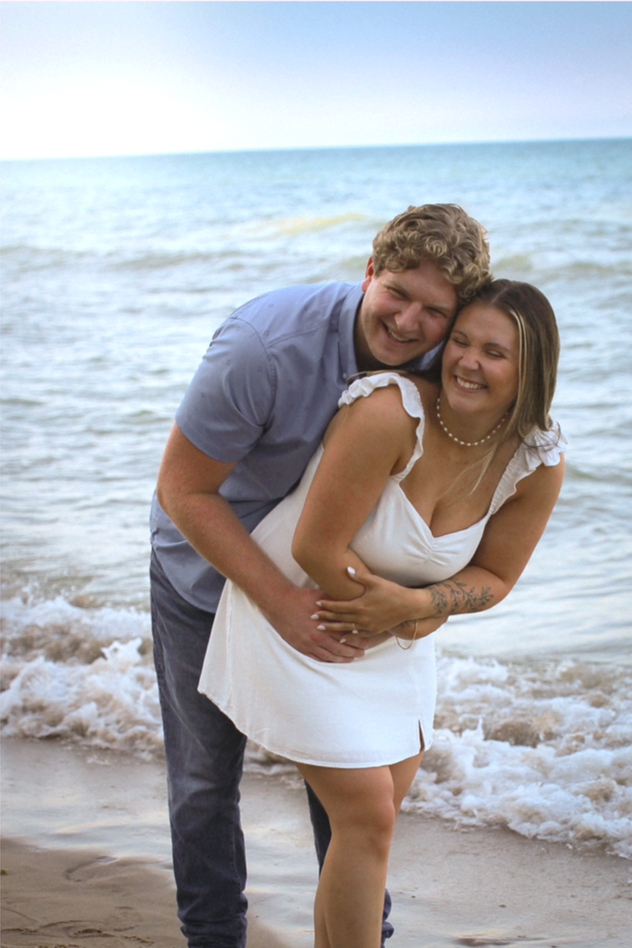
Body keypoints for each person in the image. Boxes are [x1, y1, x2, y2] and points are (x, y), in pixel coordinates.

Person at [151, 204, 491, 948]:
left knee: (351, 779)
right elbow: (181, 490)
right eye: (397, 292)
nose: (408, 323)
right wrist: (277, 600)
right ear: (368, 272)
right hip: (208, 581)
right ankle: (213, 940)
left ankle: (369, 934)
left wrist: (426, 601)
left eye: (435, 311)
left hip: (338, 589)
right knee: (205, 784)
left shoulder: (443, 362)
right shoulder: (265, 347)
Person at [198, 279, 565, 948]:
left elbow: (496, 576)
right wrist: (392, 610)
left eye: (494, 352)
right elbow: (314, 545)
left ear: (531, 369)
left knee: (369, 825)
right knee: (368, 815)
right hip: (297, 605)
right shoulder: (390, 413)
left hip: (394, 632)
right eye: (460, 341)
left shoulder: (536, 460)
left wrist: (418, 607)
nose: (467, 362)